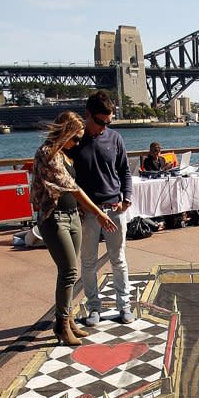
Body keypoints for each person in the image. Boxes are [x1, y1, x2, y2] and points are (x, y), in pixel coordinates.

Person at [31, 111, 117, 347]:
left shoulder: (66, 156)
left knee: (70, 271)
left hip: (72, 216)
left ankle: (67, 322)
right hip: (54, 217)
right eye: (75, 138)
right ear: (65, 132)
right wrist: (98, 213)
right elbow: (74, 188)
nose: (77, 143)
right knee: (68, 271)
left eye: (80, 139)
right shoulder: (48, 154)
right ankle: (61, 324)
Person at [71, 91, 134, 326]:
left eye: (108, 122)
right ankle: (94, 308)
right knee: (88, 261)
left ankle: (123, 305)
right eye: (100, 122)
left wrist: (127, 198)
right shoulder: (75, 143)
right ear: (87, 115)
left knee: (119, 259)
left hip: (114, 209)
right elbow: (69, 179)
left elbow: (125, 171)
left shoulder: (115, 138)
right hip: (88, 212)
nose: (104, 127)